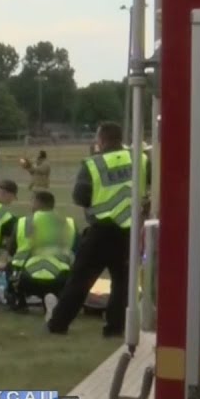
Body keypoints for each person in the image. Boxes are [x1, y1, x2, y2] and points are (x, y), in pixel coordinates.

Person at [45, 121, 152, 337]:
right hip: (129, 231)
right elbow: (151, 184)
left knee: (80, 280)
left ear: (101, 140)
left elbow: (80, 196)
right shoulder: (140, 159)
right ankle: (114, 328)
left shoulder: (93, 164)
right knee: (123, 283)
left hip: (102, 231)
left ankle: (58, 324)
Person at [6, 191, 76, 312]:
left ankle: (19, 301)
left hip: (27, 279)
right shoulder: (69, 223)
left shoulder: (23, 222)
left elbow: (12, 250)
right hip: (59, 278)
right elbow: (76, 250)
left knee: (11, 265)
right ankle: (56, 299)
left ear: (37, 203)